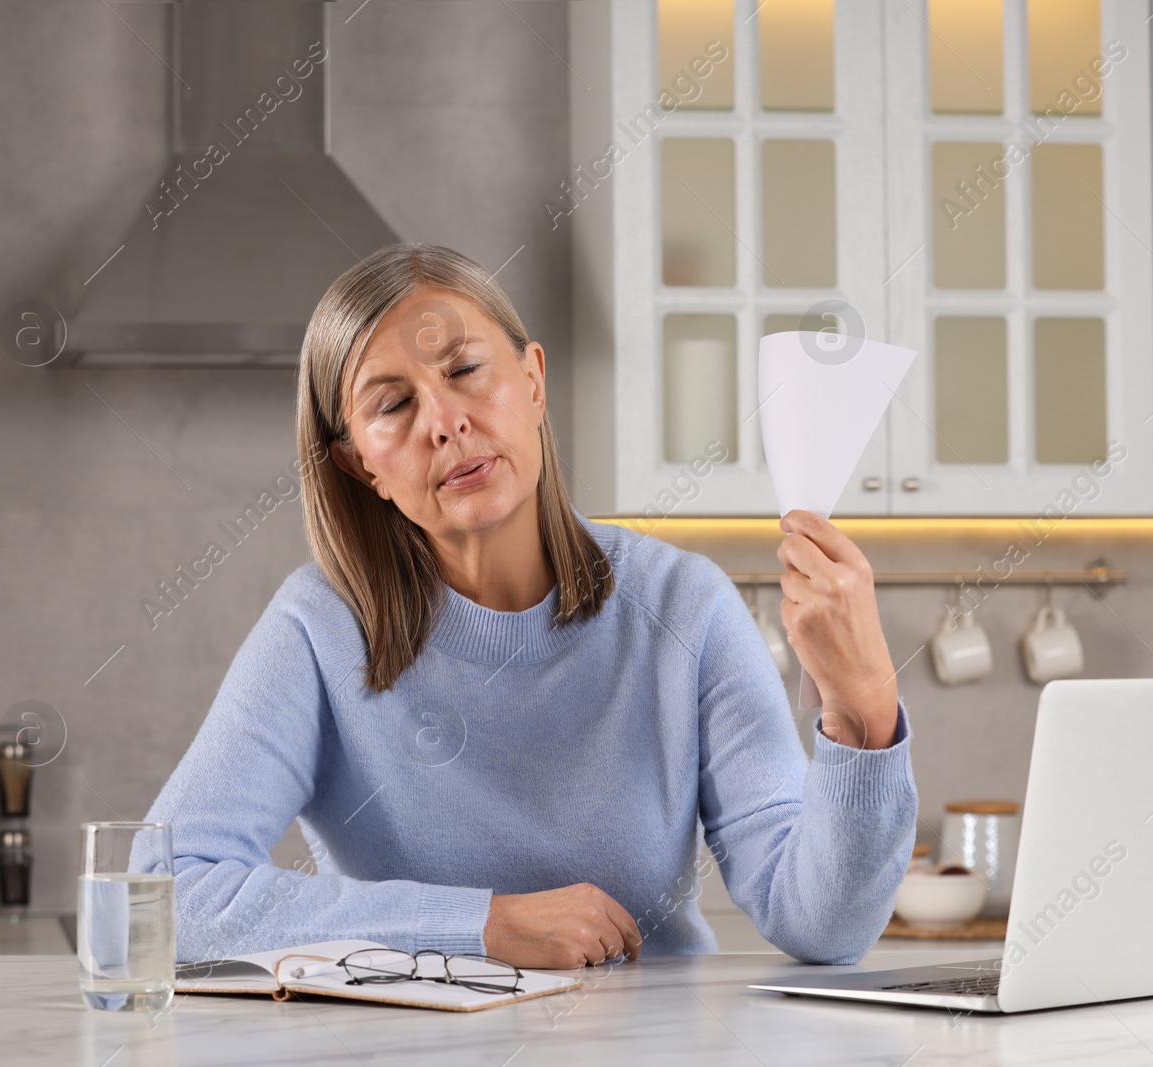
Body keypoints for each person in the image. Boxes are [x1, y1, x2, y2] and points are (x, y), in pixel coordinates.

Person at [145, 243, 918, 969]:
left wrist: (863, 707)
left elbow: (823, 926)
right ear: (359, 466)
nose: (445, 421)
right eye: (393, 405)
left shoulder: (685, 607)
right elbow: (163, 892)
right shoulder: (319, 628)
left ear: (535, 381)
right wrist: (481, 925)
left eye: (466, 369)